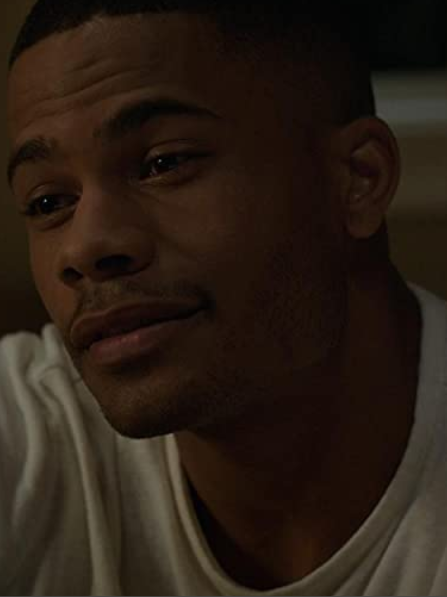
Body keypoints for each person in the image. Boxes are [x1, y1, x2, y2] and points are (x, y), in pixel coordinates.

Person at [2, 0, 446, 594]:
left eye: (164, 163)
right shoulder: (37, 431)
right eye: (48, 202)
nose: (84, 247)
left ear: (358, 179)